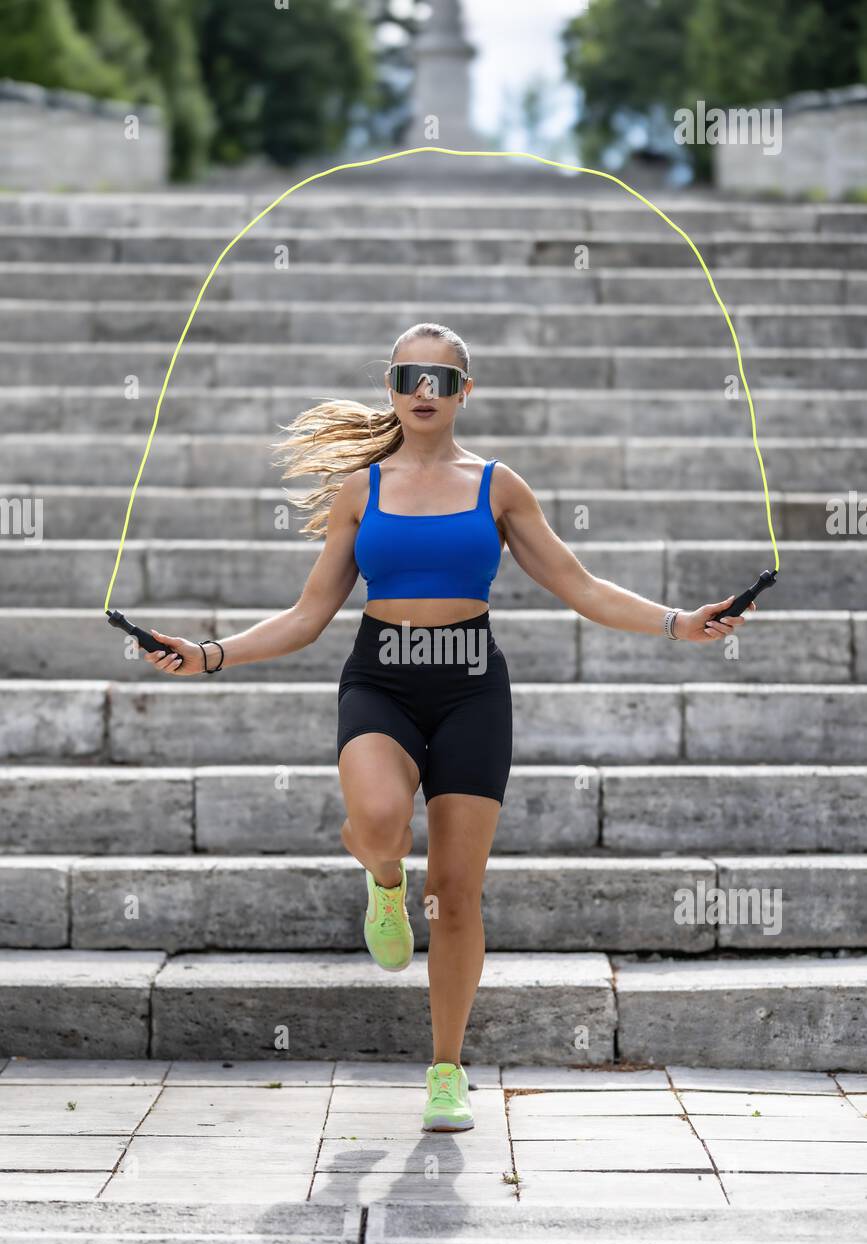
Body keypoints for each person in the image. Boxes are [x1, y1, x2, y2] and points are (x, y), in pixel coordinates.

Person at [143, 320, 755, 1132]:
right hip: (380, 681)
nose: (422, 391)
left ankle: (444, 1070)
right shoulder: (360, 490)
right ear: (391, 388)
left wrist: (680, 622)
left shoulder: (498, 487)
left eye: (439, 377)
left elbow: (580, 585)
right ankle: (381, 881)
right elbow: (306, 615)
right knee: (379, 820)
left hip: (471, 688)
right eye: (407, 376)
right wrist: (210, 654)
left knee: (458, 895)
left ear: (465, 391)